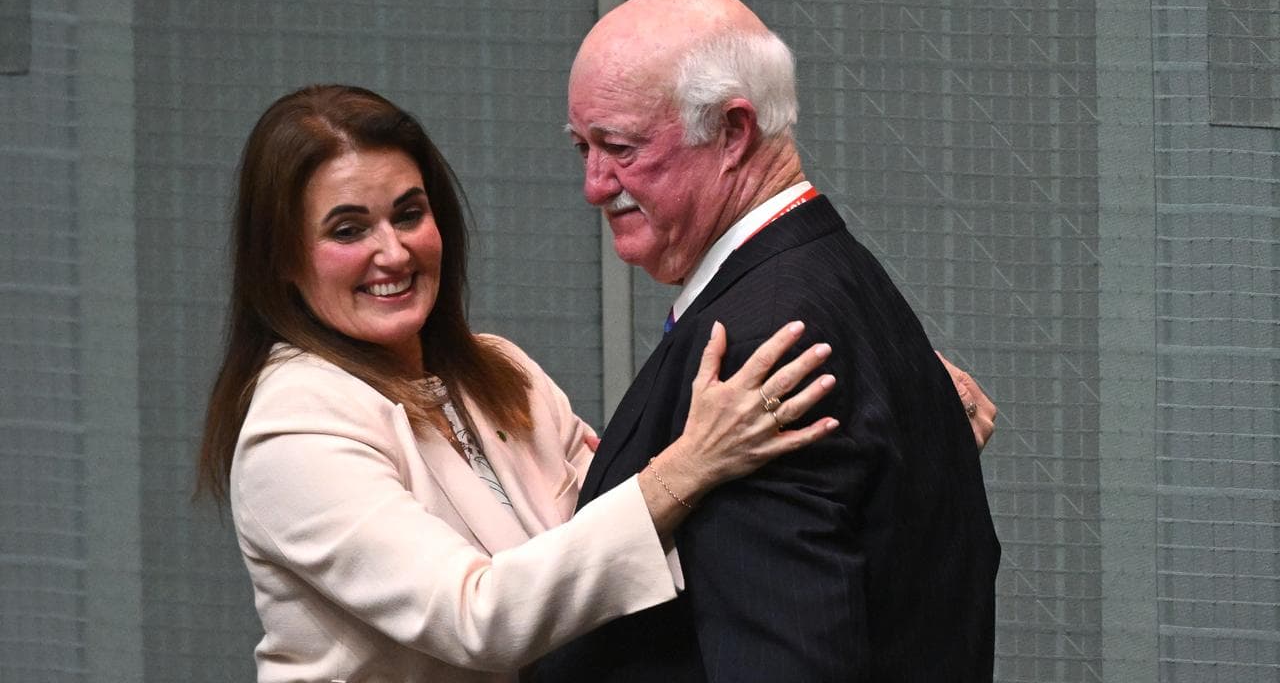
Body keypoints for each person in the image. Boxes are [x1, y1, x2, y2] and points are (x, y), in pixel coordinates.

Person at [195, 84, 844, 683]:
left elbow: (611, 530)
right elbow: (477, 618)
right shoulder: (294, 427)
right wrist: (689, 467)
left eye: (409, 214)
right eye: (349, 230)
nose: (393, 252)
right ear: (281, 259)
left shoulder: (498, 368)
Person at [532, 0, 1002, 682]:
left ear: (732, 132)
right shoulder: (832, 272)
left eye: (620, 148)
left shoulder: (762, 349)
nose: (595, 184)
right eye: (582, 148)